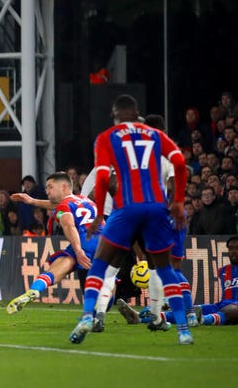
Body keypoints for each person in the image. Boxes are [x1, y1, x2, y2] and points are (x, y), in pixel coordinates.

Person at [69, 94, 193, 345]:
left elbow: (101, 181)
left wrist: (95, 217)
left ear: (115, 115)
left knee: (103, 266)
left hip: (122, 210)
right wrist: (178, 202)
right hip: (157, 209)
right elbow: (180, 164)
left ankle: (91, 315)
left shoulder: (108, 139)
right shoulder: (157, 138)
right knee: (163, 268)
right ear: (138, 115)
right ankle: (180, 328)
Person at [6, 173, 104, 316]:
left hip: (83, 241)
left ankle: (35, 289)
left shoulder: (64, 207)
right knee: (105, 286)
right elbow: (54, 204)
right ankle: (101, 310)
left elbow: (69, 225)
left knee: (59, 267)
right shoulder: (85, 200)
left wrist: (78, 250)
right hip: (104, 242)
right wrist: (32, 201)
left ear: (63, 187)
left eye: (50, 187)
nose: (47, 191)